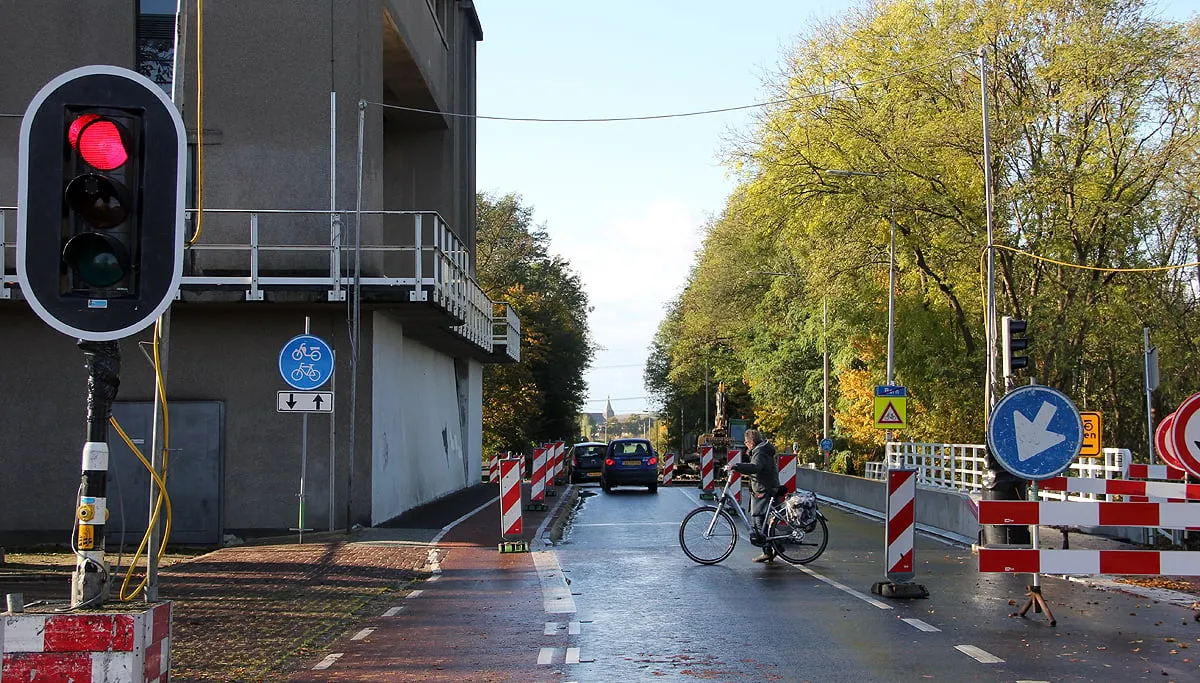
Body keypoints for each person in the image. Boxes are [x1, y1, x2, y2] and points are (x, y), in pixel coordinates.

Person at [727, 429, 780, 563]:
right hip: (764, 486)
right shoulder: (761, 449)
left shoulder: (760, 451)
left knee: (758, 521)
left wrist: (737, 466)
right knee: (761, 522)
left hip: (764, 488)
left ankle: (772, 550)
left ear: (751, 442)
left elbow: (756, 467)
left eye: (746, 442)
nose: (745, 445)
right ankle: (773, 549)